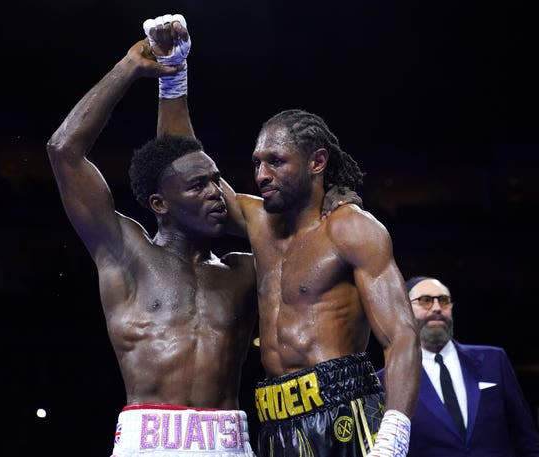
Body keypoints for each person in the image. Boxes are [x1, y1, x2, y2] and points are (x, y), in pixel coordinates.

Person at [46, 14, 354, 457]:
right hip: (145, 442)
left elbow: (315, 258)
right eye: (198, 187)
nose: (216, 193)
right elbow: (64, 152)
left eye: (217, 181)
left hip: (230, 441)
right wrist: (130, 67)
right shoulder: (126, 253)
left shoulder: (248, 269)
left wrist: (335, 198)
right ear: (160, 204)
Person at [147, 16, 421, 457]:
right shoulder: (257, 222)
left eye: (275, 161)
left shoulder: (351, 228)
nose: (261, 174)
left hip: (346, 410)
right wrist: (174, 75)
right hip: (274, 419)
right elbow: (183, 165)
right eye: (257, 163)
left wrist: (395, 431)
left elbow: (402, 335)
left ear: (316, 161)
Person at [377, 276, 539, 456]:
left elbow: (527, 438)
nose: (437, 308)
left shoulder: (493, 360)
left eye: (444, 301)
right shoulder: (387, 380)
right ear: (405, 310)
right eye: (426, 301)